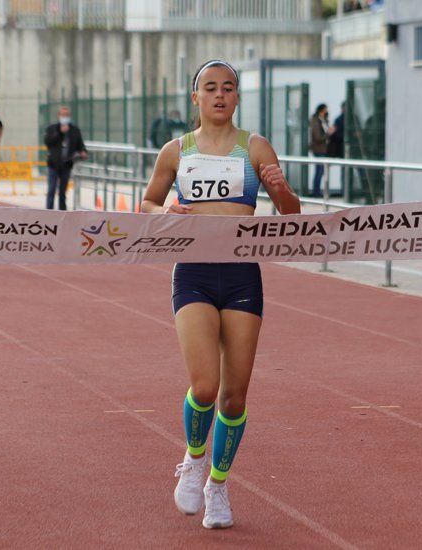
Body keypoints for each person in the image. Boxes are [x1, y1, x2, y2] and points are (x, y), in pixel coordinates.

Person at [140, 59, 300, 529]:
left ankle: (219, 484)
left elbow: (292, 214)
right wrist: (165, 208)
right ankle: (192, 460)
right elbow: (147, 202)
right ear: (196, 98)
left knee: (234, 397)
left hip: (241, 275)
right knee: (205, 385)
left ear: (236, 97)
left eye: (228, 88)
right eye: (210, 88)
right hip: (192, 272)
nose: (219, 95)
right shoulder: (176, 151)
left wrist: (281, 188)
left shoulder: (255, 147)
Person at [43, 106, 86, 210]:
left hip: (66, 164)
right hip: (53, 164)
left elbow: (80, 144)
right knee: (51, 190)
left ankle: (62, 212)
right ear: (59, 116)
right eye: (63, 115)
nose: (65, 117)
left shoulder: (74, 130)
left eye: (67, 115)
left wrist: (83, 151)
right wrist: (60, 133)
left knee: (63, 191)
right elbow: (48, 142)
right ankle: (48, 212)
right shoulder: (52, 128)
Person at [309, 103, 331, 197]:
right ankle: (316, 192)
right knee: (319, 171)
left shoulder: (323, 121)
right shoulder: (316, 121)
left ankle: (317, 191)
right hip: (319, 150)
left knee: (321, 171)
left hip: (323, 150)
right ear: (321, 111)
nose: (327, 112)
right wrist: (328, 134)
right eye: (325, 110)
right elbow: (318, 137)